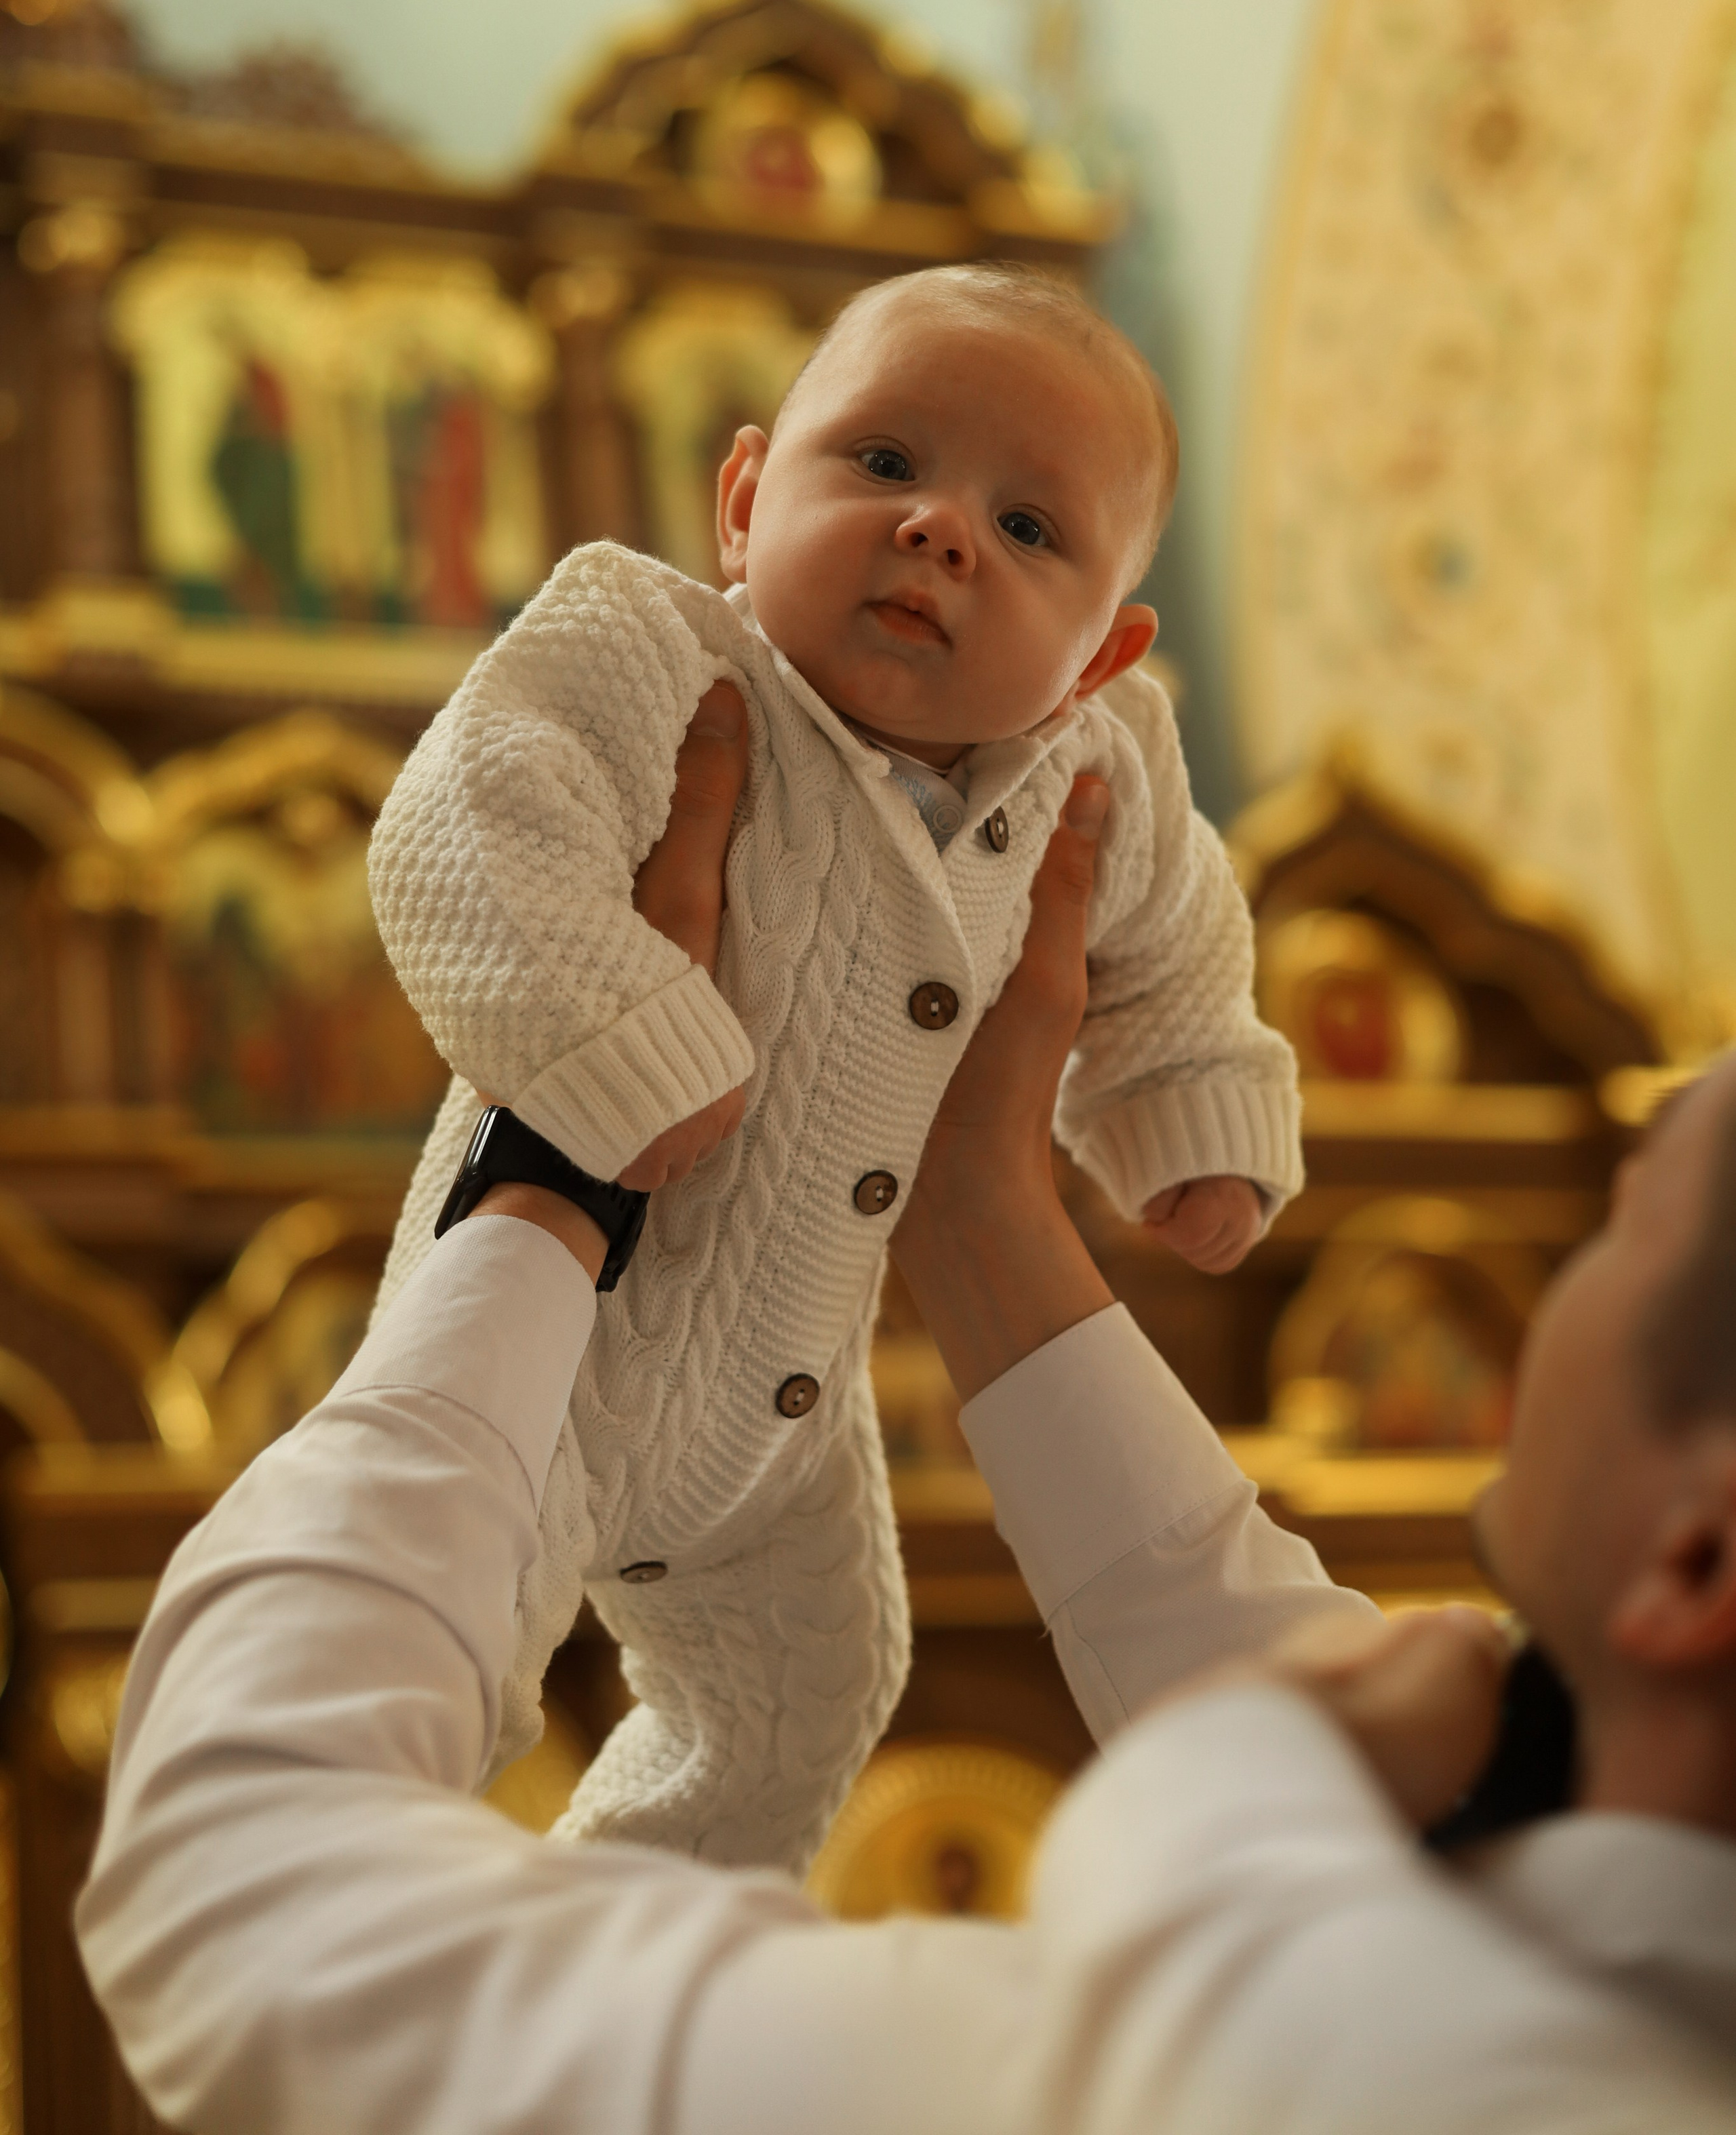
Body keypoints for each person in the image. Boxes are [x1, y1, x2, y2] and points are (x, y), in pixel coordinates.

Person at [79, 721, 1736, 2132]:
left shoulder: (1312, 2067)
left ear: (1695, 1550)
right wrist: (979, 1210)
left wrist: (554, 1167)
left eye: (1631, 1220)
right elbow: (1308, 1662)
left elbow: (251, 1897)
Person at [363, 262, 1301, 1868]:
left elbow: (1172, 941)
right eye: (881, 464)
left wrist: (1184, 1110)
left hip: (786, 1415)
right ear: (741, 499)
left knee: (814, 1690)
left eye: (1026, 529)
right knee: (423, 1659)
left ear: (1098, 651)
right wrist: (611, 1043)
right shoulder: (651, 654)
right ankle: (383, 1981)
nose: (938, 528)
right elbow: (467, 826)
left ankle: (626, 1960)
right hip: (542, 1355)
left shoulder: (1103, 765)